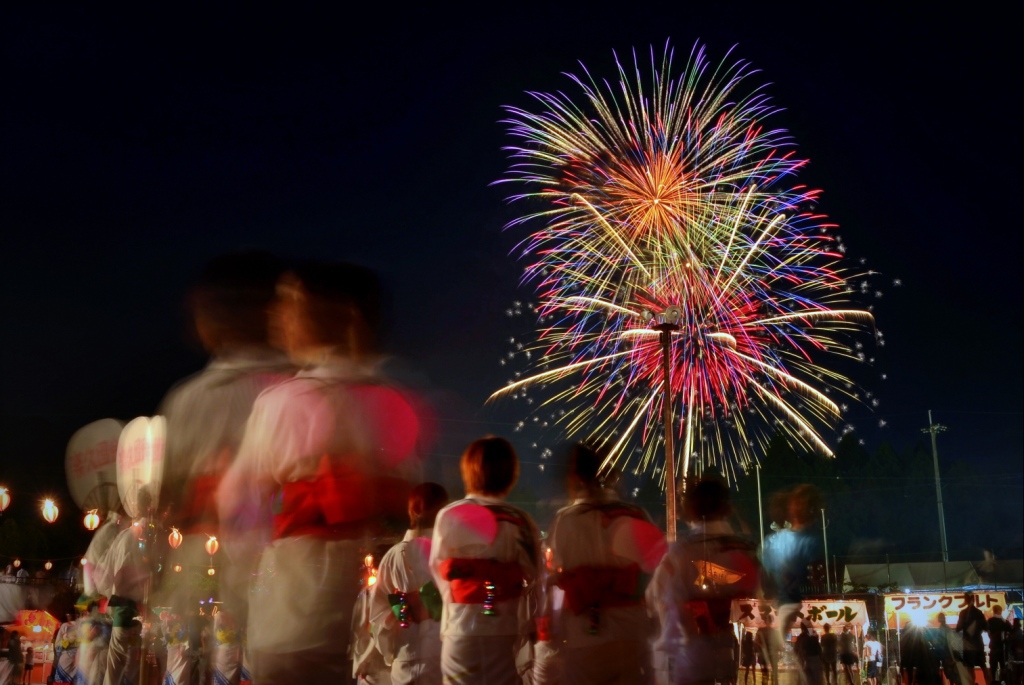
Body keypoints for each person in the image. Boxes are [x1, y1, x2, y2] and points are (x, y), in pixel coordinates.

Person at [218, 261, 422, 684]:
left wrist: (251, 583)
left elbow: (236, 507)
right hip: (366, 626)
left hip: (291, 621)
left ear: (328, 312)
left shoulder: (283, 404)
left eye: (289, 301)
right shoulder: (389, 404)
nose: (276, 313)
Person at [543, 443, 666, 685]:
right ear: (615, 473)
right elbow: (656, 575)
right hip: (632, 632)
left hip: (584, 634)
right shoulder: (637, 515)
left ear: (578, 475)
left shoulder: (566, 520)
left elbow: (557, 567)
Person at [429, 436, 542, 685]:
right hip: (504, 626)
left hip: (459, 626)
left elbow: (438, 569)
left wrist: (461, 597)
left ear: (469, 470)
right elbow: (535, 575)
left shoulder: (449, 515)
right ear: (510, 473)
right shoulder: (519, 521)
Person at [647, 477, 761, 685]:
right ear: (726, 508)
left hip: (692, 653)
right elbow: (759, 592)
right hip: (728, 650)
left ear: (692, 509)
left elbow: (655, 595)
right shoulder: (745, 551)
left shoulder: (681, 552)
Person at [368, 483, 450, 685]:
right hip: (446, 654)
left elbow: (377, 613)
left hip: (406, 658)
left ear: (412, 510)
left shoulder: (393, 557)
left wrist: (404, 611)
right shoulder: (453, 553)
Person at [957, 592, 989, 682]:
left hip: (968, 645)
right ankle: (989, 683)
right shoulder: (979, 612)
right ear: (974, 600)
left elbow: (958, 628)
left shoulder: (963, 613)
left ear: (965, 600)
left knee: (970, 668)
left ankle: (972, 683)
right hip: (978, 643)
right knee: (983, 666)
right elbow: (986, 627)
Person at [52, 613, 79, 684]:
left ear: (69, 616)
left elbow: (58, 645)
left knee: (62, 680)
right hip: (80, 657)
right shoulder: (83, 626)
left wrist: (57, 656)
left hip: (66, 656)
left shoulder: (65, 626)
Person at [795, 621, 823, 685]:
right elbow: (818, 649)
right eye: (810, 625)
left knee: (805, 679)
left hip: (804, 661)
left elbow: (796, 649)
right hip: (813, 660)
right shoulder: (812, 637)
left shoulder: (801, 637)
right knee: (814, 679)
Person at [988, 605, 1010, 684]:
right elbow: (1009, 634)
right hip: (1002, 649)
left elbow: (988, 633)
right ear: (1000, 611)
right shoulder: (1005, 622)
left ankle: (993, 682)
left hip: (993, 648)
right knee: (1003, 667)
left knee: (993, 668)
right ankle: (1003, 681)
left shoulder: (989, 621)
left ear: (993, 611)